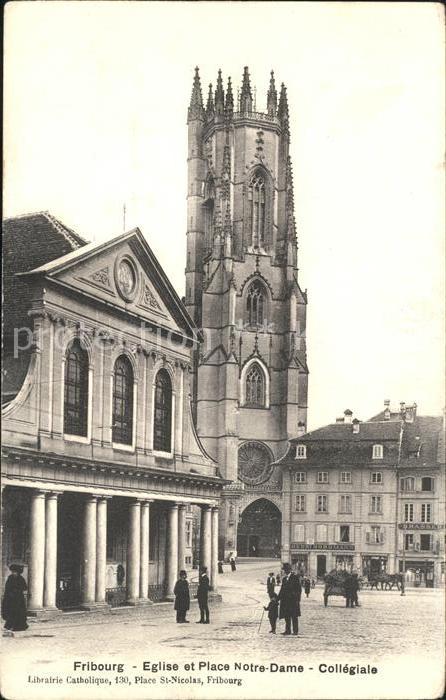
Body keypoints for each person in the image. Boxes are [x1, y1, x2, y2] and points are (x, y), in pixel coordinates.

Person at [2, 564, 28, 634]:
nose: (14, 573)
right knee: (11, 612)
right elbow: (7, 587)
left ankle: (19, 626)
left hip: (18, 599)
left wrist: (17, 590)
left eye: (15, 572)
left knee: (19, 612)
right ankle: (9, 626)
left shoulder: (21, 578)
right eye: (13, 572)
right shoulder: (10, 578)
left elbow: (25, 587)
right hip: (11, 599)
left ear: (18, 572)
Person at [277, 562, 301, 636]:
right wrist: (277, 599)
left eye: (285, 570)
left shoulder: (295, 577)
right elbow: (282, 590)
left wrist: (297, 599)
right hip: (285, 601)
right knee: (287, 616)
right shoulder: (284, 579)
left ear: (289, 570)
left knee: (294, 616)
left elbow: (299, 589)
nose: (284, 571)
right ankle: (287, 630)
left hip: (293, 601)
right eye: (284, 570)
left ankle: (295, 631)